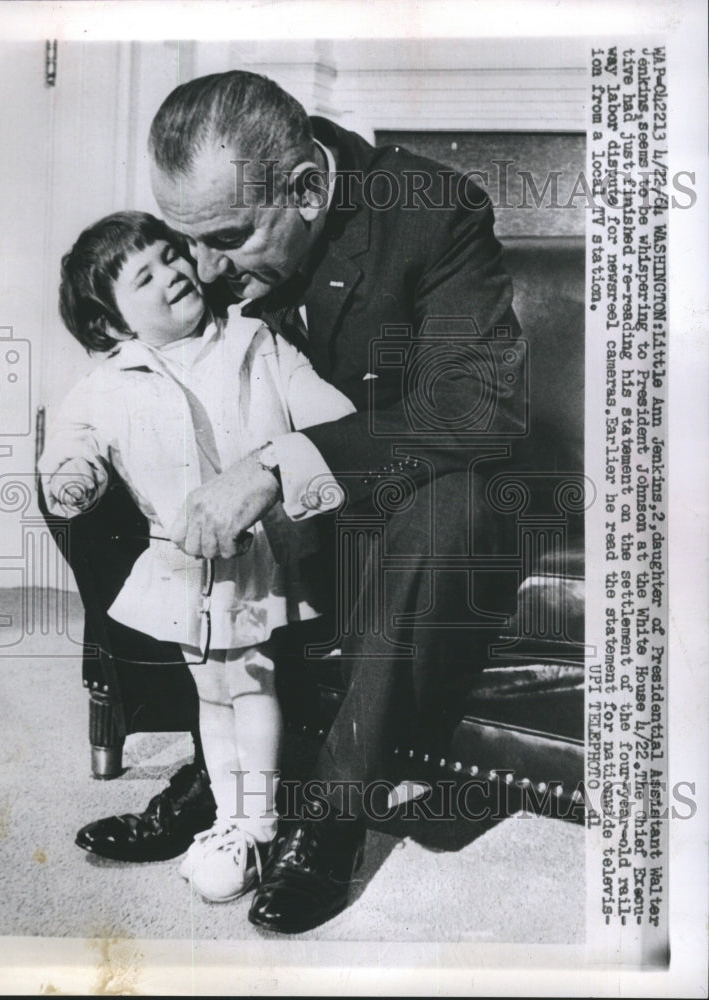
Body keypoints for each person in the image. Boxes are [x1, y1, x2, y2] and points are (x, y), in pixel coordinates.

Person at [79, 70, 525, 933]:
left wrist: (282, 464)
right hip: (272, 521)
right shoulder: (219, 234)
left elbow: (479, 407)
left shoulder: (432, 209)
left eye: (227, 239)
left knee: (459, 502)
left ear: (310, 190)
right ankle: (222, 770)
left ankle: (329, 815)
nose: (199, 268)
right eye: (183, 241)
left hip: (402, 497)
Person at [39, 210, 355, 902]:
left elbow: (331, 419)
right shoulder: (105, 384)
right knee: (210, 692)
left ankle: (261, 824)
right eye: (143, 277)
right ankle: (231, 819)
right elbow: (73, 444)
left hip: (258, 551)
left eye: (168, 254)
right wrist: (70, 477)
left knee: (252, 679)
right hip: (182, 562)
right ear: (114, 326)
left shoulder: (256, 342)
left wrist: (332, 434)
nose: (172, 273)